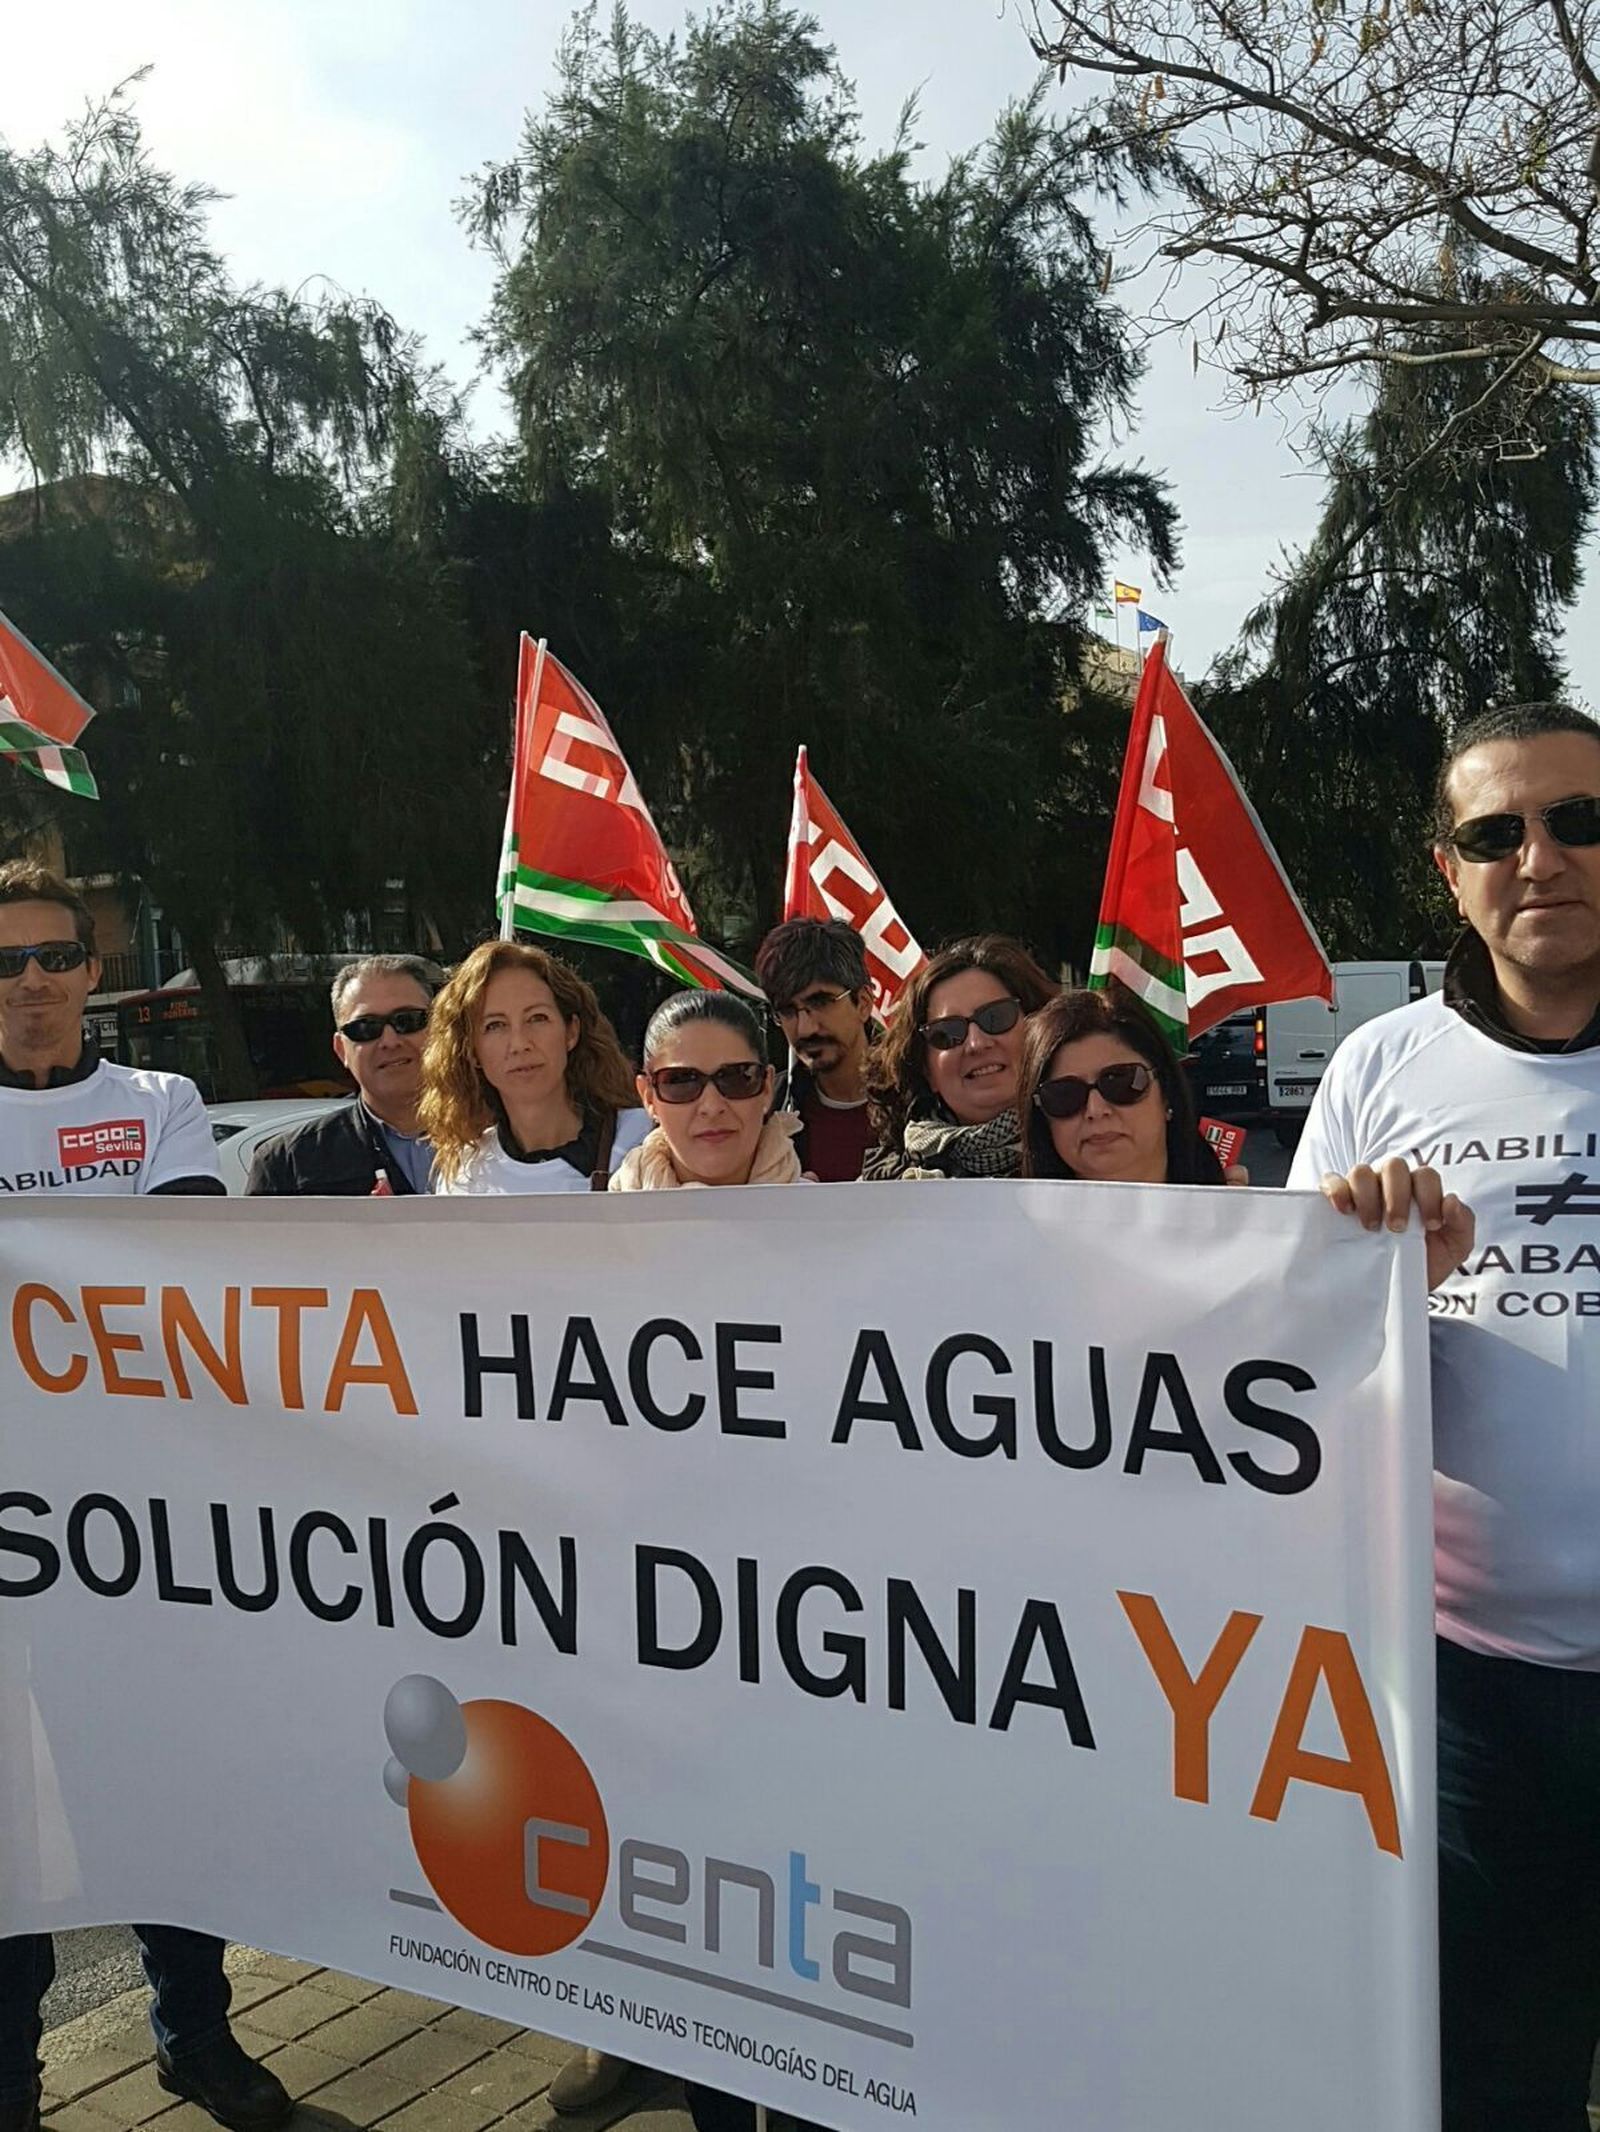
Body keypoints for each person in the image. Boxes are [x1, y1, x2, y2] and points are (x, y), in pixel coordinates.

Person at [1288, 699, 1600, 2132]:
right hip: (1472, 1686)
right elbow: (1286, 1370)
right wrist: (1381, 1286)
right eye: (1498, 832)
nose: (1542, 858)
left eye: (1578, 819)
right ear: (1448, 870)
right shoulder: (1376, 1069)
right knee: (1496, 2076)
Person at [0, 860, 290, 2132]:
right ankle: (14, 2074)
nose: (31, 985)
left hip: (139, 1527)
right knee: (12, 1828)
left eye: (55, 956)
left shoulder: (162, 1097)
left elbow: (170, 1268)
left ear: (92, 968)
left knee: (163, 1799)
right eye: (4, 962)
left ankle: (195, 2034)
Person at [611, 989, 807, 2132]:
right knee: (698, 1934)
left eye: (736, 1077)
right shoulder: (580, 1243)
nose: (712, 1102)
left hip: (809, 1641)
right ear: (647, 1092)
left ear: (771, 1083)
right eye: (680, 1081)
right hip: (660, 1650)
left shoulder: (853, 1223)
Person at [421, 939, 649, 1195]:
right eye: (495, 1025)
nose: (519, 1044)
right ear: (471, 1051)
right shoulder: (465, 1175)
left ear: (571, 1032)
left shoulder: (642, 1140)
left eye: (537, 1018)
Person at [245, 953, 445, 1196]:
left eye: (408, 1020)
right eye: (365, 1027)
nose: (390, 1041)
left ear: (440, 1030)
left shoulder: (495, 1136)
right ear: (341, 1051)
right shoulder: (288, 1166)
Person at [863, 933, 1057, 1179]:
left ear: (1040, 1028)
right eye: (947, 1033)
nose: (976, 1044)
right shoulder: (881, 1190)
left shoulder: (1093, 1152)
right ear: (925, 1069)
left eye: (996, 1017)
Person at [1018, 986, 1227, 1185]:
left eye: (1120, 1082)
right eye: (1064, 1095)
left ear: (1166, 1093)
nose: (1096, 1110)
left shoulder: (1242, 1216)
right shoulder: (1000, 1219)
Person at [610, 989, 802, 1190]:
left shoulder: (825, 1214)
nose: (711, 1107)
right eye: (681, 1081)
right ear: (648, 1097)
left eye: (735, 1077)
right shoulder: (601, 1218)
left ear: (766, 1088)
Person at [755, 917, 875, 1180]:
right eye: (788, 1011)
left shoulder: (924, 1101)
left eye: (821, 1002)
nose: (805, 1028)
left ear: (863, 1003)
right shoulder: (763, 1112)